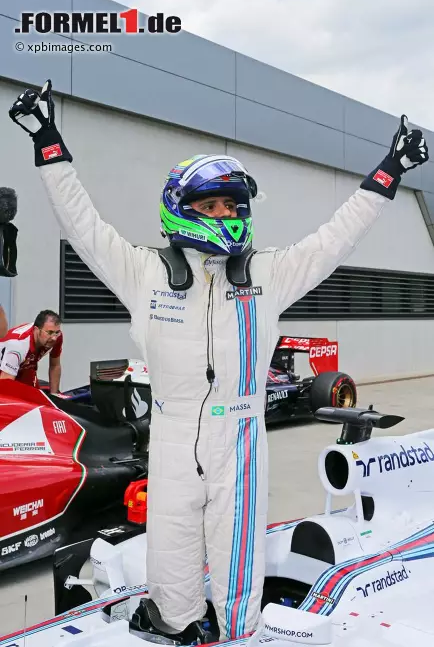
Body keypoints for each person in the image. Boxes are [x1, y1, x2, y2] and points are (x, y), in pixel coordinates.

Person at [8, 80, 428, 642]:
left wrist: (390, 170)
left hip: (241, 437)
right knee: (171, 558)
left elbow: (335, 240)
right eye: (211, 205)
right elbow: (82, 225)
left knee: (239, 562)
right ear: (181, 210)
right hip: (174, 434)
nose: (225, 213)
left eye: (231, 205)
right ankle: (176, 625)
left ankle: (239, 634)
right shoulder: (144, 272)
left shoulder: (267, 274)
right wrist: (47, 141)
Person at [0, 309, 63, 393]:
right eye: (49, 332)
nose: (54, 338)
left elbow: (55, 366)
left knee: (35, 396)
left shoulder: (57, 336)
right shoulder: (18, 345)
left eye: (57, 332)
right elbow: (5, 385)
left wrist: (54, 395)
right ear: (36, 330)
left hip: (26, 365)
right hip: (4, 368)